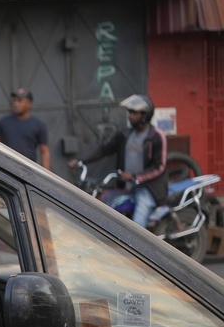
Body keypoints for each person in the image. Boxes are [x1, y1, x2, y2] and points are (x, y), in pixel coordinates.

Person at [69, 94, 167, 228]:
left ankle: (138, 246)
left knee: (137, 227)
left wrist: (136, 177)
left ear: (145, 115)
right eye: (130, 112)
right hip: (126, 186)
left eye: (134, 113)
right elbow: (105, 149)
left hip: (147, 188)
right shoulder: (125, 134)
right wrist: (81, 160)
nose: (130, 116)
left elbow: (159, 167)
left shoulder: (156, 136)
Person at [0, 88, 50, 170]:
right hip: (6, 168)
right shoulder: (4, 122)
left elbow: (44, 151)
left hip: (28, 171)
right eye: (14, 100)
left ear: (29, 104)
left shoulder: (38, 125)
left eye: (19, 101)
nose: (16, 103)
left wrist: (46, 176)